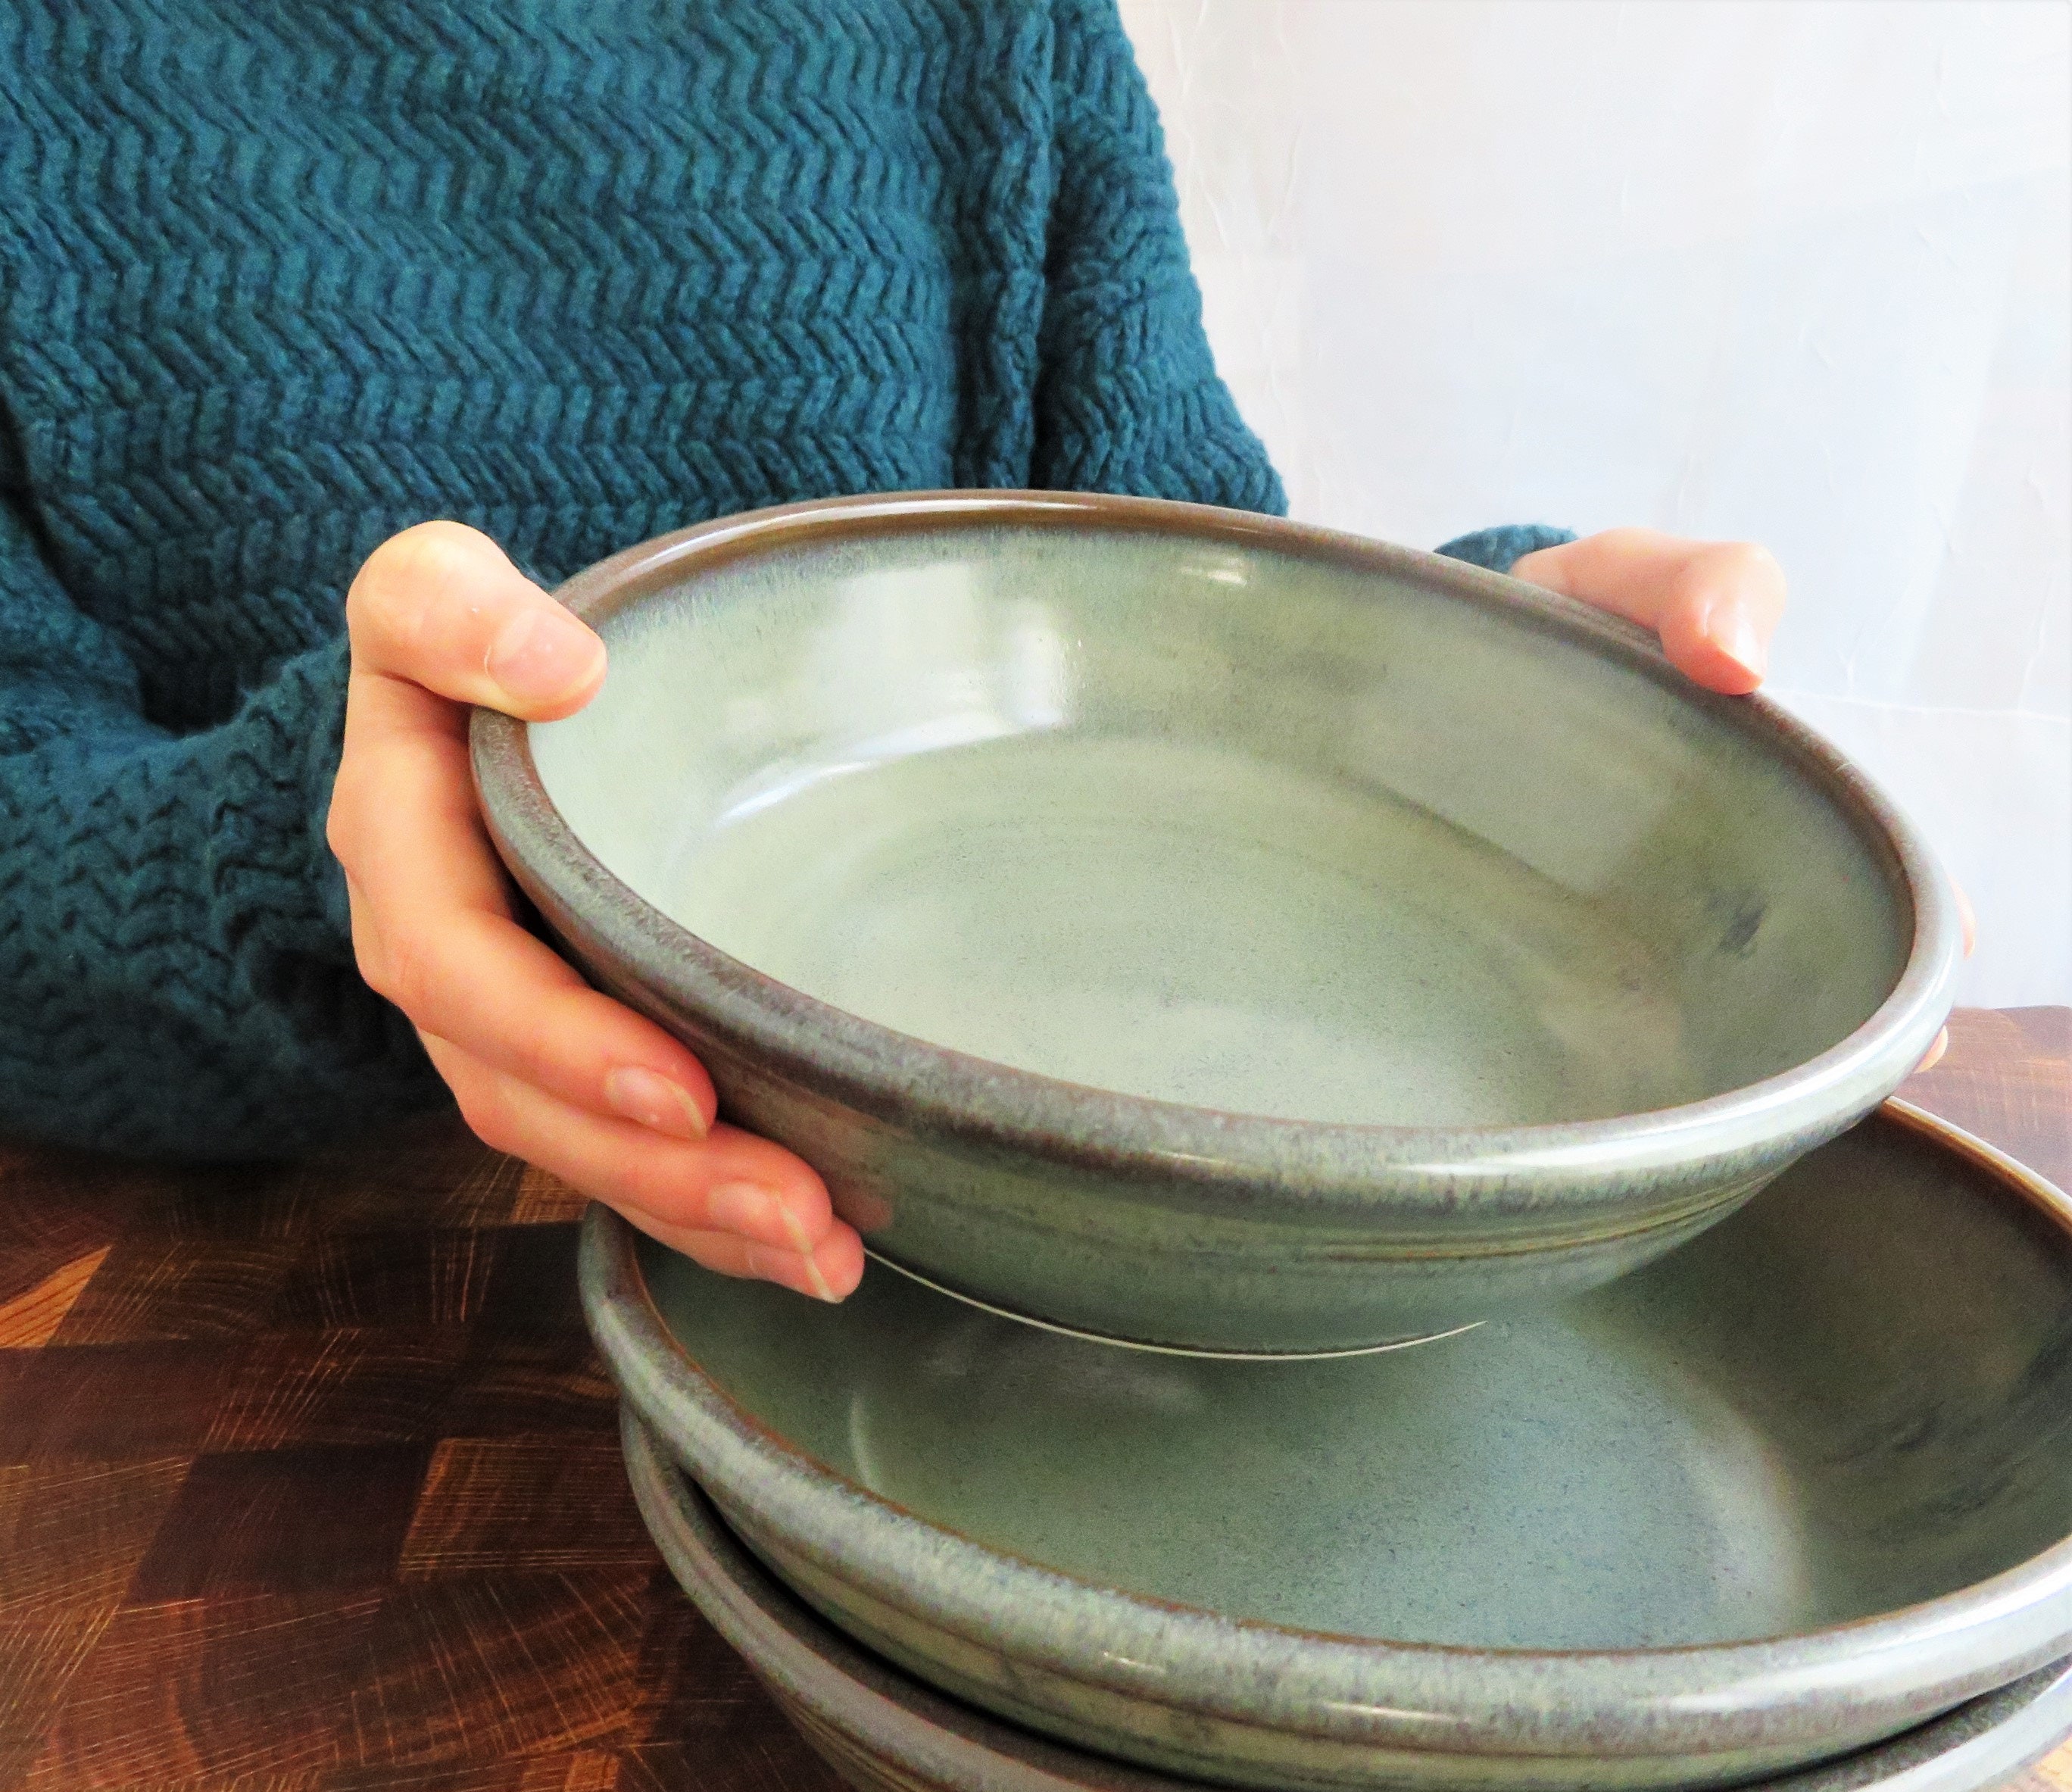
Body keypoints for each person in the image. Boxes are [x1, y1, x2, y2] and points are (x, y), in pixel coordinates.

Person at [2, 0, 1794, 1303]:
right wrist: (304, 847)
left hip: (997, 1313)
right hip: (275, 1358)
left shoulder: (983, 37)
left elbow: (1163, 629)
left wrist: (1473, 698)